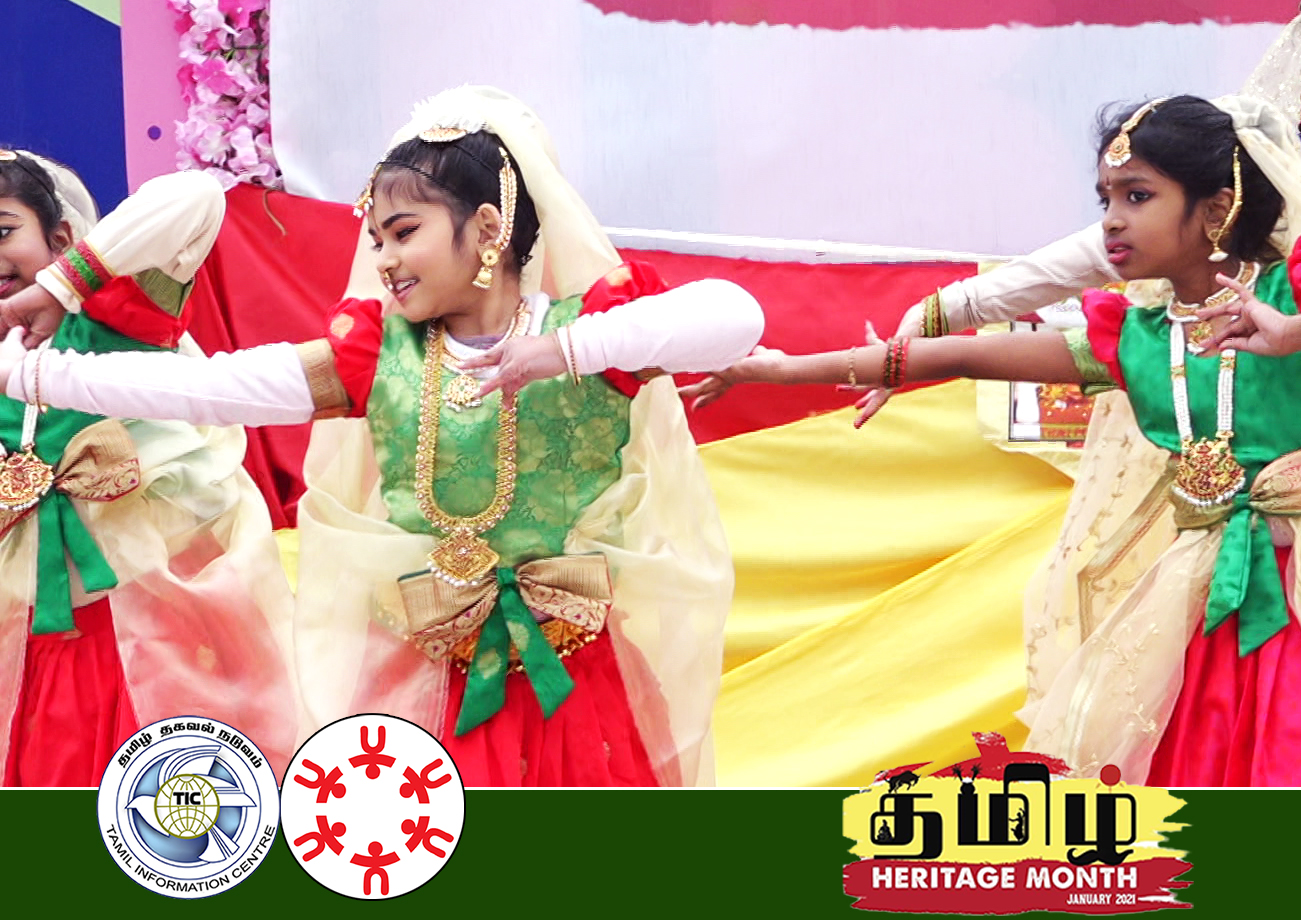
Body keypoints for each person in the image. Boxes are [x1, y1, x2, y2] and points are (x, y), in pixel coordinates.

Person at [691, 95, 1301, 785]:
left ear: (1215, 207)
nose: (1112, 222)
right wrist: (783, 370)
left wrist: (1299, 331)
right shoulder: (1131, 335)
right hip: (1193, 598)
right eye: (1105, 199)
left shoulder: (1299, 283)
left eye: (1137, 196)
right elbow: (960, 353)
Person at [0, 88, 765, 786]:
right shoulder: (377, 356)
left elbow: (736, 318)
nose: (385, 262)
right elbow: (203, 388)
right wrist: (31, 367)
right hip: (421, 686)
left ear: (487, 228)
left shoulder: (594, 337)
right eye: (376, 240)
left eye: (403, 233)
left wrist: (562, 351)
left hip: (570, 686)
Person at [0, 155, 298, 783]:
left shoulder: (119, 316)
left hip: (143, 631)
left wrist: (62, 286)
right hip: (19, 651)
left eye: (3, 231)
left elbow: (196, 197)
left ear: (60, 237)